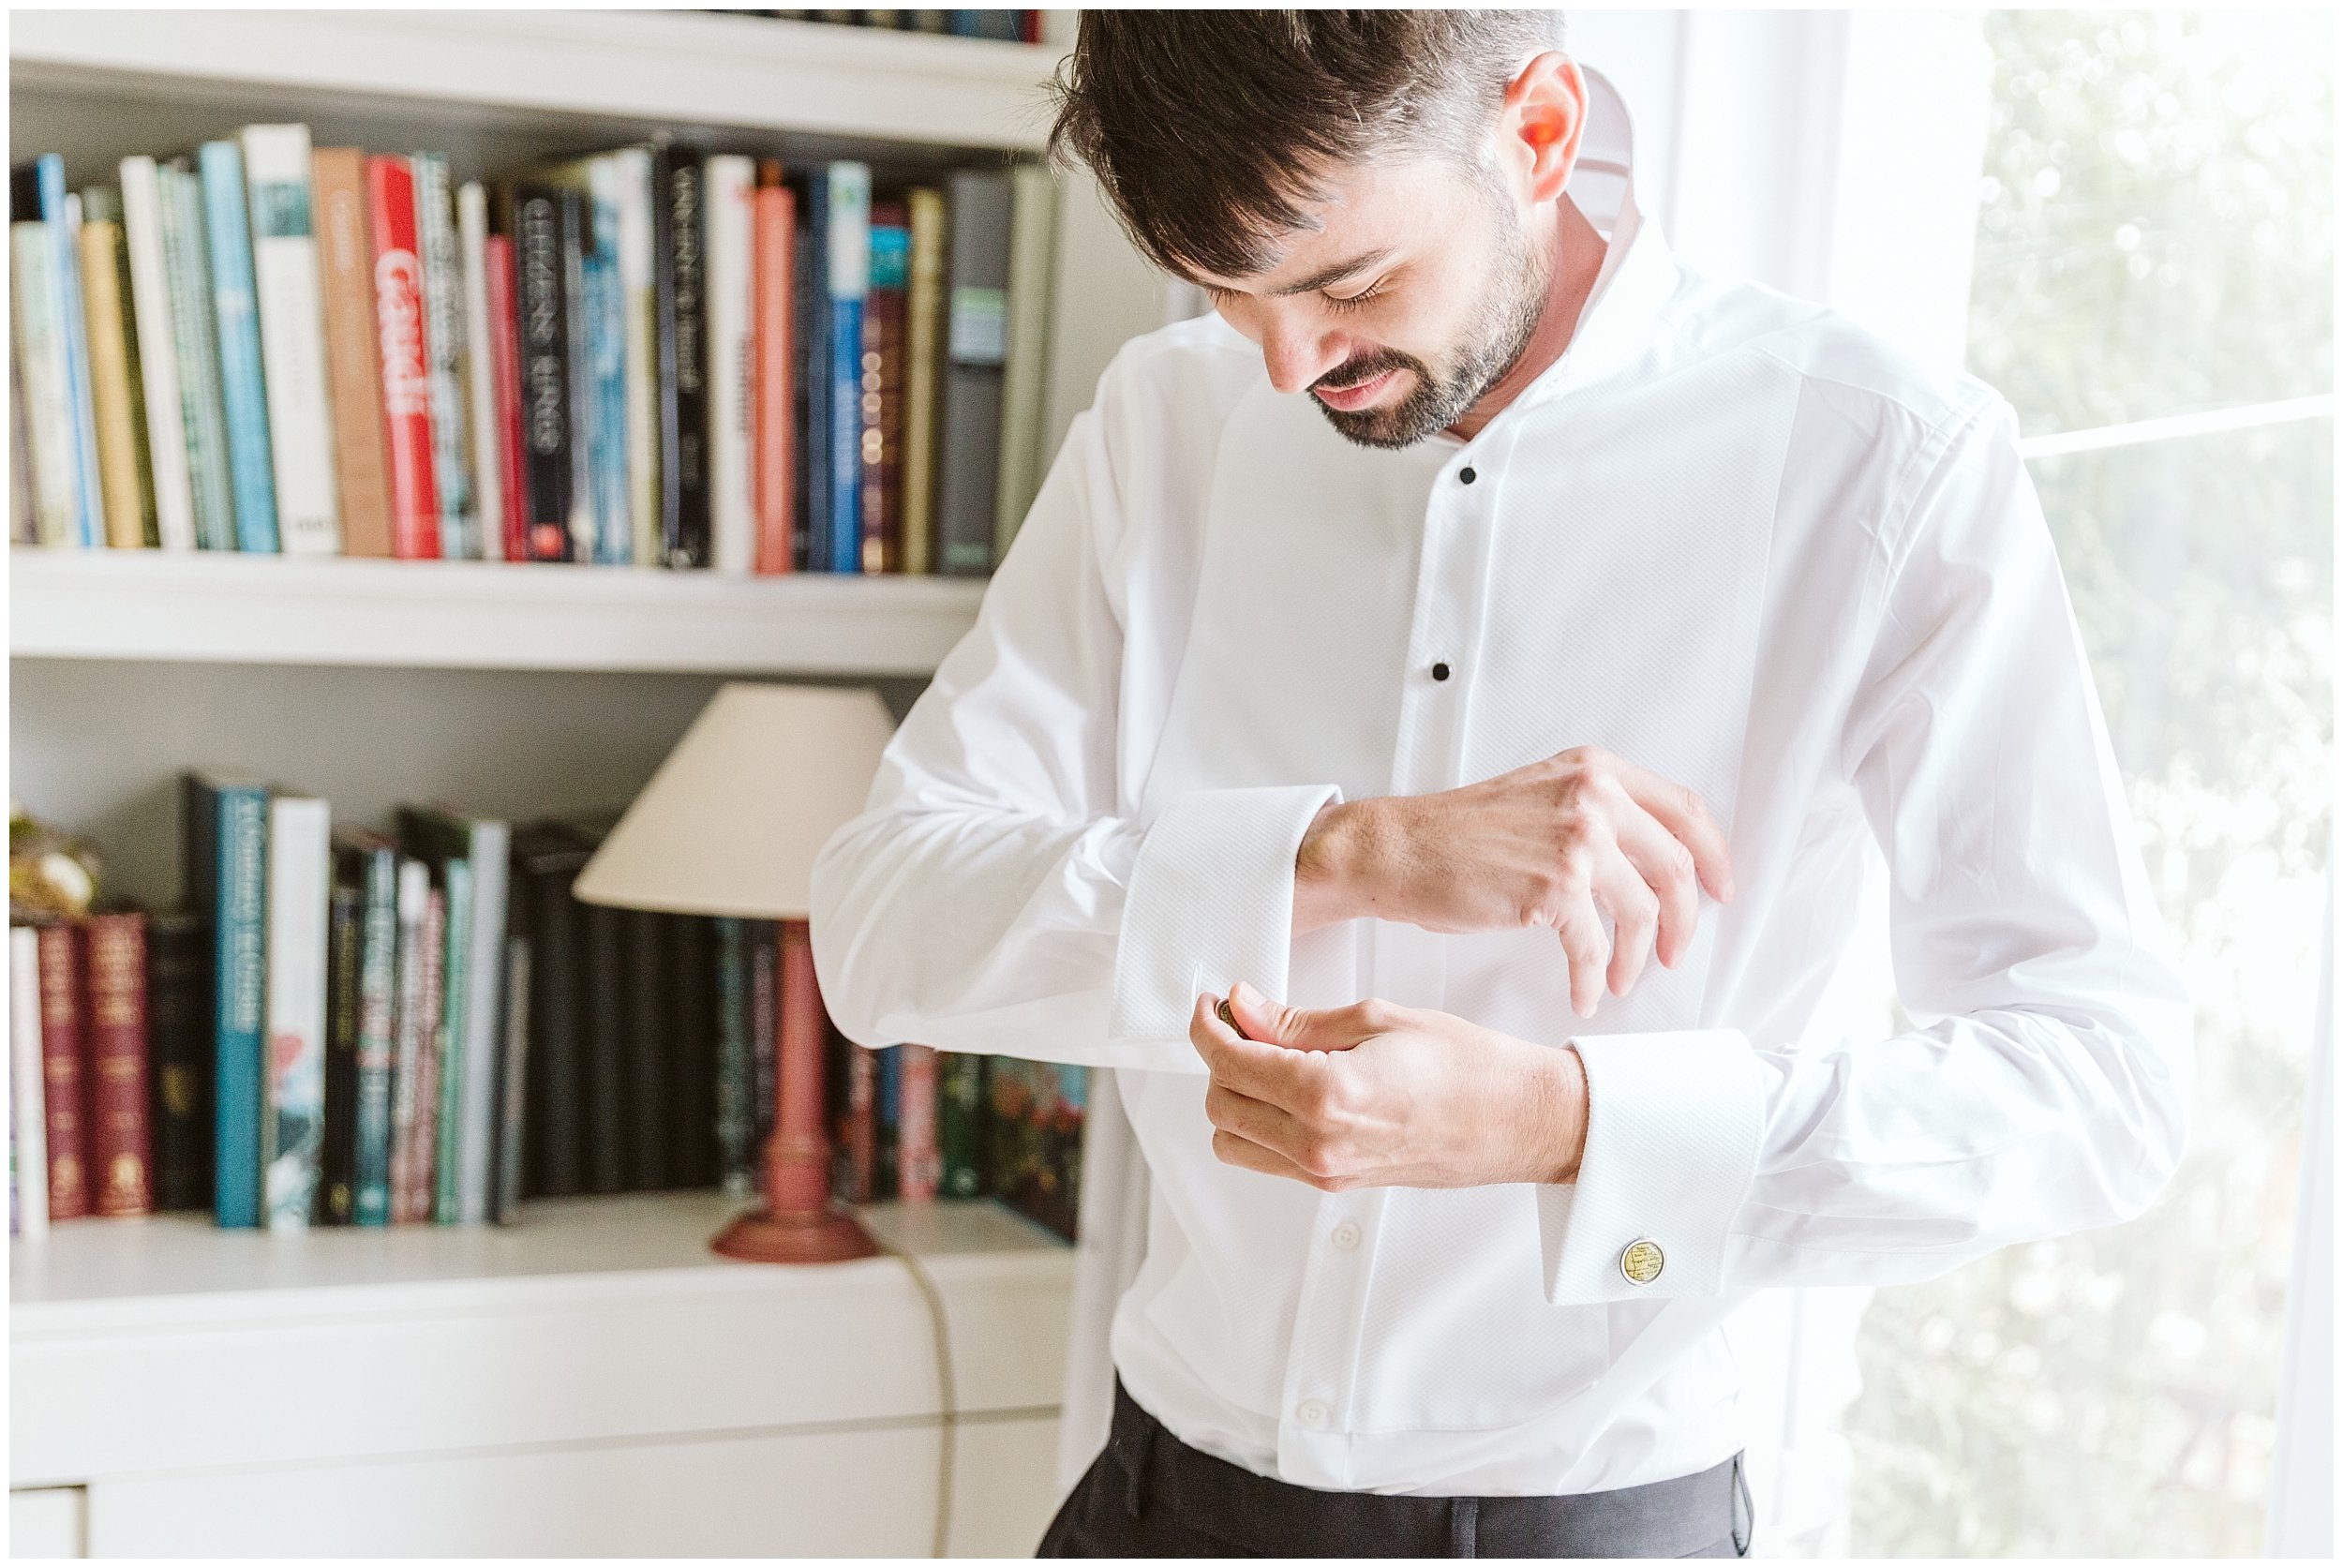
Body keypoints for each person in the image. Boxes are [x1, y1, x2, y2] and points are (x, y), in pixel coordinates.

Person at [810, 10, 2192, 1559]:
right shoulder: (1167, 419)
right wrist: (1352, 855)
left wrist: (1562, 1122)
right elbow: (880, 924)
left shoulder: (1881, 461)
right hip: (1161, 1499)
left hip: (1594, 1517)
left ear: (1535, 132)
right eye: (1222, 288)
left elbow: (2098, 1082)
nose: (1282, 364)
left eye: (1348, 282)